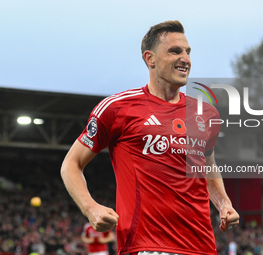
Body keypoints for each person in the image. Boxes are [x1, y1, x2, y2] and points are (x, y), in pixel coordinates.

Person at [61, 20, 239, 255]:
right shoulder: (117, 109)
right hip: (146, 246)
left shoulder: (205, 114)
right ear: (150, 58)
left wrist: (224, 203)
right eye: (175, 51)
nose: (185, 58)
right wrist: (90, 207)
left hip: (202, 246)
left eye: (187, 52)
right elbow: (71, 164)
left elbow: (207, 169)